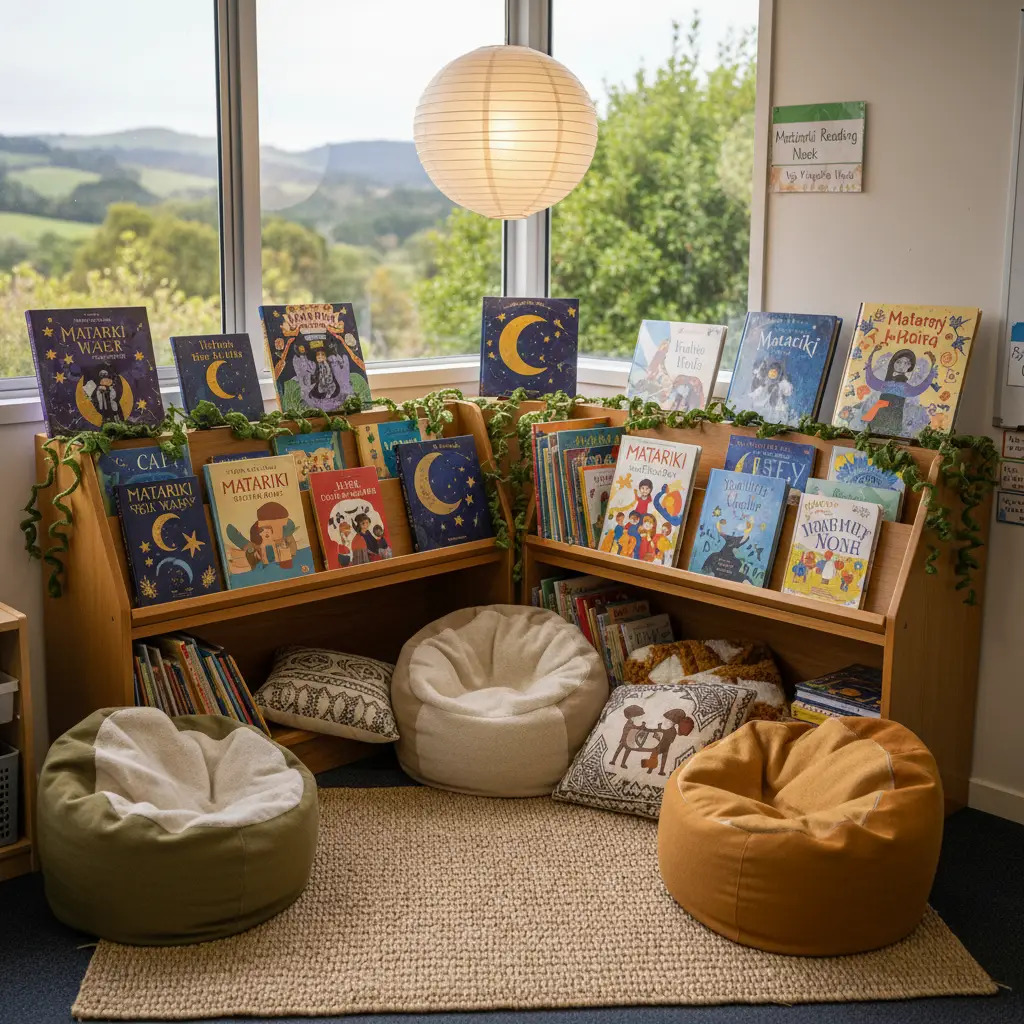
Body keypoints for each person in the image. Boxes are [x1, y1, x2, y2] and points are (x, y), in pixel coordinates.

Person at [861, 346, 937, 436]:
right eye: (899, 362)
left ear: (910, 366)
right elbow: (870, 379)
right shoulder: (885, 384)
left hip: (894, 420)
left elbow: (922, 386)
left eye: (906, 363)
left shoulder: (905, 387)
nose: (902, 366)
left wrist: (932, 366)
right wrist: (872, 354)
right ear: (893, 363)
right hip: (879, 418)